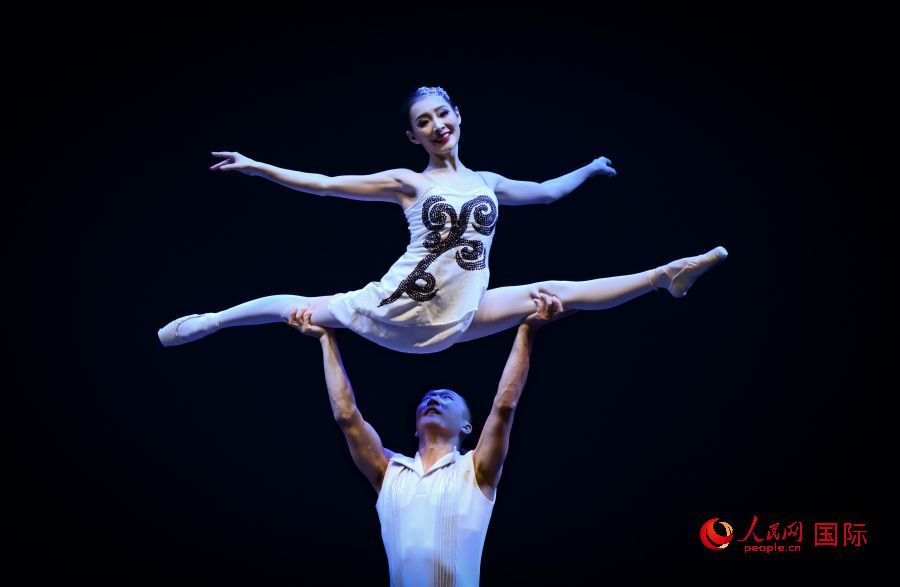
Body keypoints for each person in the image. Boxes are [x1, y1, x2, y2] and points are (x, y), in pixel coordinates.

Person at [158, 85, 728, 354]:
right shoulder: (409, 182)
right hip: (399, 304)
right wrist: (258, 166)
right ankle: (211, 321)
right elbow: (327, 184)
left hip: (461, 311)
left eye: (441, 113)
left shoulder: (488, 183)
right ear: (413, 136)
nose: (435, 125)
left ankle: (666, 276)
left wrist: (590, 167)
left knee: (555, 290)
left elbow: (547, 194)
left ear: (457, 115)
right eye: (423, 122)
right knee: (299, 305)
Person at [287, 292, 570, 586]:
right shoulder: (389, 471)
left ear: (467, 426)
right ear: (415, 427)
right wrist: (326, 339)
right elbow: (347, 416)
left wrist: (527, 329)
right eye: (427, 398)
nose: (434, 399)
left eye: (446, 397)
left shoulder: (475, 470)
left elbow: (504, 405)